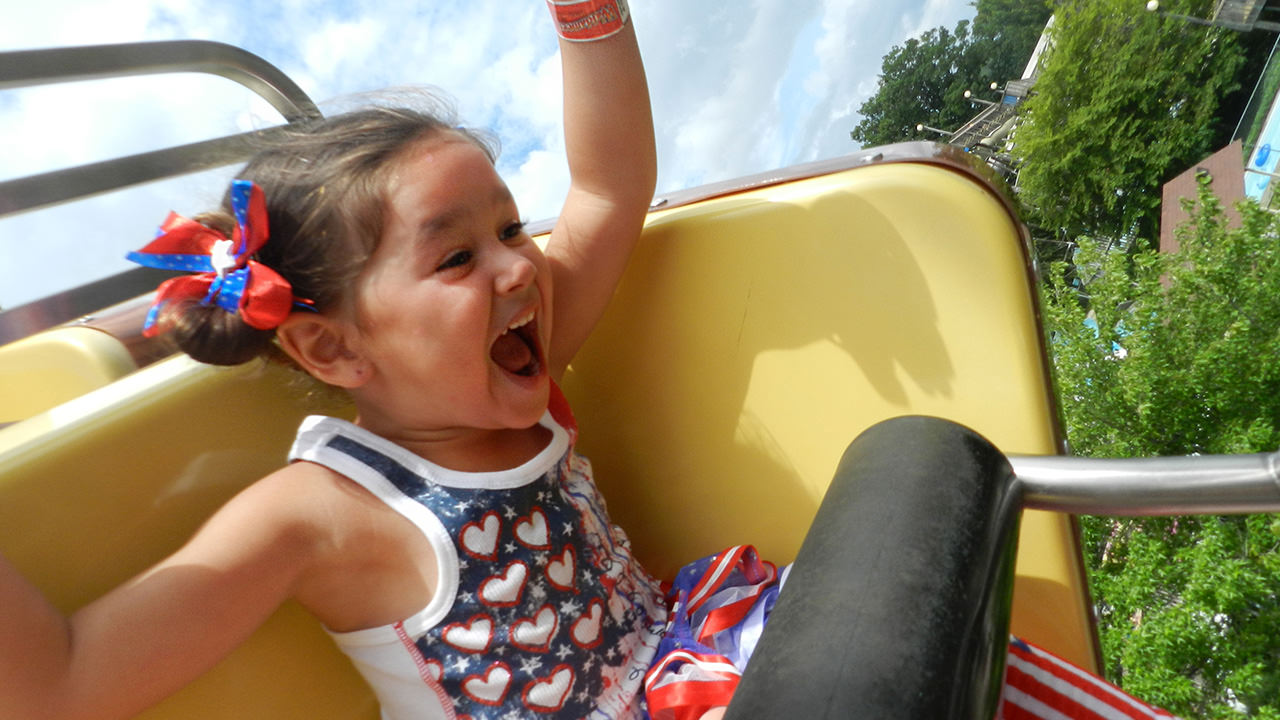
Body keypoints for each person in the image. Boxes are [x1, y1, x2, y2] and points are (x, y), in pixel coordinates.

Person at [0, 2, 1183, 718]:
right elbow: (55, 682)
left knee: (943, 640)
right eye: (456, 258)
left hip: (705, 661)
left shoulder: (517, 371)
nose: (519, 268)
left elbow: (611, 187)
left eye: (509, 228)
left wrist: (587, 16)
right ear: (329, 345)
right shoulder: (324, 514)